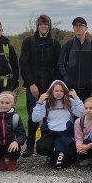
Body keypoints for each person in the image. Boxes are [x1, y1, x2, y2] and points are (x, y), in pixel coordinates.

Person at [19, 14, 61, 157]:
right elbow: (24, 65)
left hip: (49, 87)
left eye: (46, 24)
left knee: (48, 117)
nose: (43, 26)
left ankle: (45, 145)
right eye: (41, 24)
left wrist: (54, 87)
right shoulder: (29, 42)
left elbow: (58, 66)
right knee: (33, 117)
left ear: (49, 26)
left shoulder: (55, 44)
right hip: (33, 87)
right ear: (37, 26)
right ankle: (30, 146)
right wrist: (31, 83)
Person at [32, 79, 84, 169]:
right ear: (51, 91)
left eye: (61, 91)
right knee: (41, 148)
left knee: (59, 165)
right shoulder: (46, 103)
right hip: (51, 134)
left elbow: (82, 114)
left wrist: (76, 98)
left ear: (65, 92)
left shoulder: (69, 101)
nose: (59, 93)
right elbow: (35, 119)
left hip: (65, 135)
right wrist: (39, 102)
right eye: (56, 91)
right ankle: (55, 152)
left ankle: (63, 153)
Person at [58, 16, 92, 102]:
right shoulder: (68, 45)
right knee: (72, 111)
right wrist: (68, 80)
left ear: (86, 28)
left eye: (81, 25)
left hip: (89, 89)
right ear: (73, 28)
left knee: (88, 110)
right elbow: (60, 64)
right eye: (76, 25)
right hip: (71, 90)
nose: (78, 27)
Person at [74, 97, 92, 167]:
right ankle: (89, 158)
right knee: (81, 145)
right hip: (86, 143)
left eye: (91, 108)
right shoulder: (79, 121)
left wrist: (90, 146)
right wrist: (80, 147)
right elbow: (78, 138)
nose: (88, 110)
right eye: (86, 108)